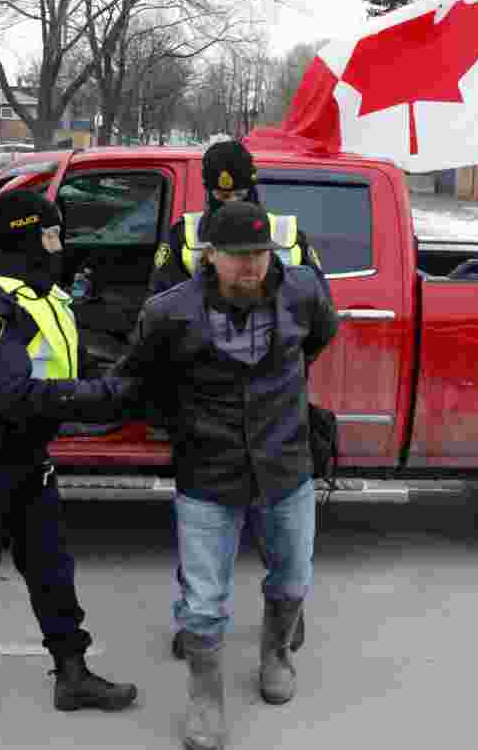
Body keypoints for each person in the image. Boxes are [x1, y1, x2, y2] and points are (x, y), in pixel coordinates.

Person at [114, 201, 339, 750]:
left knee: (292, 579)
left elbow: (318, 339)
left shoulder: (304, 291)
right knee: (202, 603)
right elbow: (140, 380)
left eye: (260, 254)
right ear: (209, 254)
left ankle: (276, 654)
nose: (252, 266)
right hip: (208, 474)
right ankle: (205, 696)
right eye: (238, 256)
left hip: (285, 467)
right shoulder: (170, 311)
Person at [0, 188, 142, 716]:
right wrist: (100, 398)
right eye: (51, 233)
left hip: (29, 457)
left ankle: (72, 673)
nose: (59, 244)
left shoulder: (47, 298)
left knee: (51, 570)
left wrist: (129, 386)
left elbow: (74, 370)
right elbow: (11, 393)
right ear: (23, 237)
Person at [147, 139, 321, 662]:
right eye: (219, 191)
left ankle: (286, 613)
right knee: (204, 532)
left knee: (281, 528)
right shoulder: (185, 234)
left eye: (235, 190)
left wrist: (279, 372)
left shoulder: (283, 234)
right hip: (205, 408)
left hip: (271, 406)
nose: (225, 201)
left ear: (250, 183)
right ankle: (197, 617)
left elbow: (315, 315)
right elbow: (163, 310)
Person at [147, 139, 321, 297]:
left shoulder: (288, 235)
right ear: (209, 193)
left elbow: (317, 304)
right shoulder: (183, 236)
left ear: (252, 190)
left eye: (239, 194)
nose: (231, 204)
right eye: (223, 196)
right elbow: (161, 306)